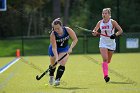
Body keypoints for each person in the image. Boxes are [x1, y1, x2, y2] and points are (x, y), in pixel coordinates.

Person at [92, 8, 123, 82]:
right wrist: (94, 32)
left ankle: (105, 66)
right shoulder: (100, 22)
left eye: (106, 13)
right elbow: (94, 32)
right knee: (105, 59)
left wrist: (115, 35)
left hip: (111, 43)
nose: (104, 15)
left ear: (109, 15)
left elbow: (120, 30)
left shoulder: (112, 22)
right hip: (103, 42)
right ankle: (106, 76)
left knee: (108, 61)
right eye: (103, 13)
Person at [48, 18, 78, 86]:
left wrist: (71, 48)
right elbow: (54, 48)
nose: (56, 30)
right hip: (54, 49)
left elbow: (75, 39)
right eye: (55, 28)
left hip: (64, 48)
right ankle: (51, 76)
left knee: (62, 62)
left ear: (61, 26)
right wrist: (56, 57)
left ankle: (57, 79)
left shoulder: (67, 30)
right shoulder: (53, 34)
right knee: (53, 65)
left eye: (58, 28)